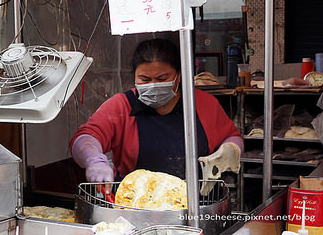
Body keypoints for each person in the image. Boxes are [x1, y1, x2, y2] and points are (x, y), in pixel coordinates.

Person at [70, 37, 243, 184]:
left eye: (162, 78)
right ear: (134, 77)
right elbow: (85, 137)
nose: (153, 84)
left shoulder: (203, 104)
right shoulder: (121, 106)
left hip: (196, 206)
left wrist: (230, 149)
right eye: (144, 79)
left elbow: (232, 135)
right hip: (135, 207)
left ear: (179, 75)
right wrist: (94, 160)